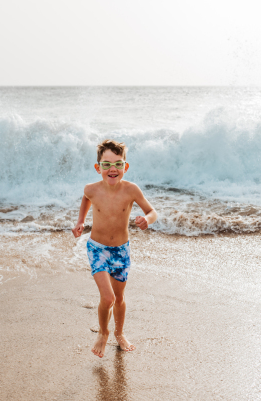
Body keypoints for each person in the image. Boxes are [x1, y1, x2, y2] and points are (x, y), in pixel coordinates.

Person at [72, 139, 157, 358]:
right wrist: (81, 220)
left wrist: (148, 219)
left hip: (121, 250)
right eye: (107, 164)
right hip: (97, 248)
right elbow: (86, 198)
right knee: (108, 298)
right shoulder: (91, 189)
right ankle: (103, 332)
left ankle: (119, 333)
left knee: (119, 298)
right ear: (98, 167)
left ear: (125, 167)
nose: (112, 169)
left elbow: (152, 211)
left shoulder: (131, 190)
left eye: (118, 164)